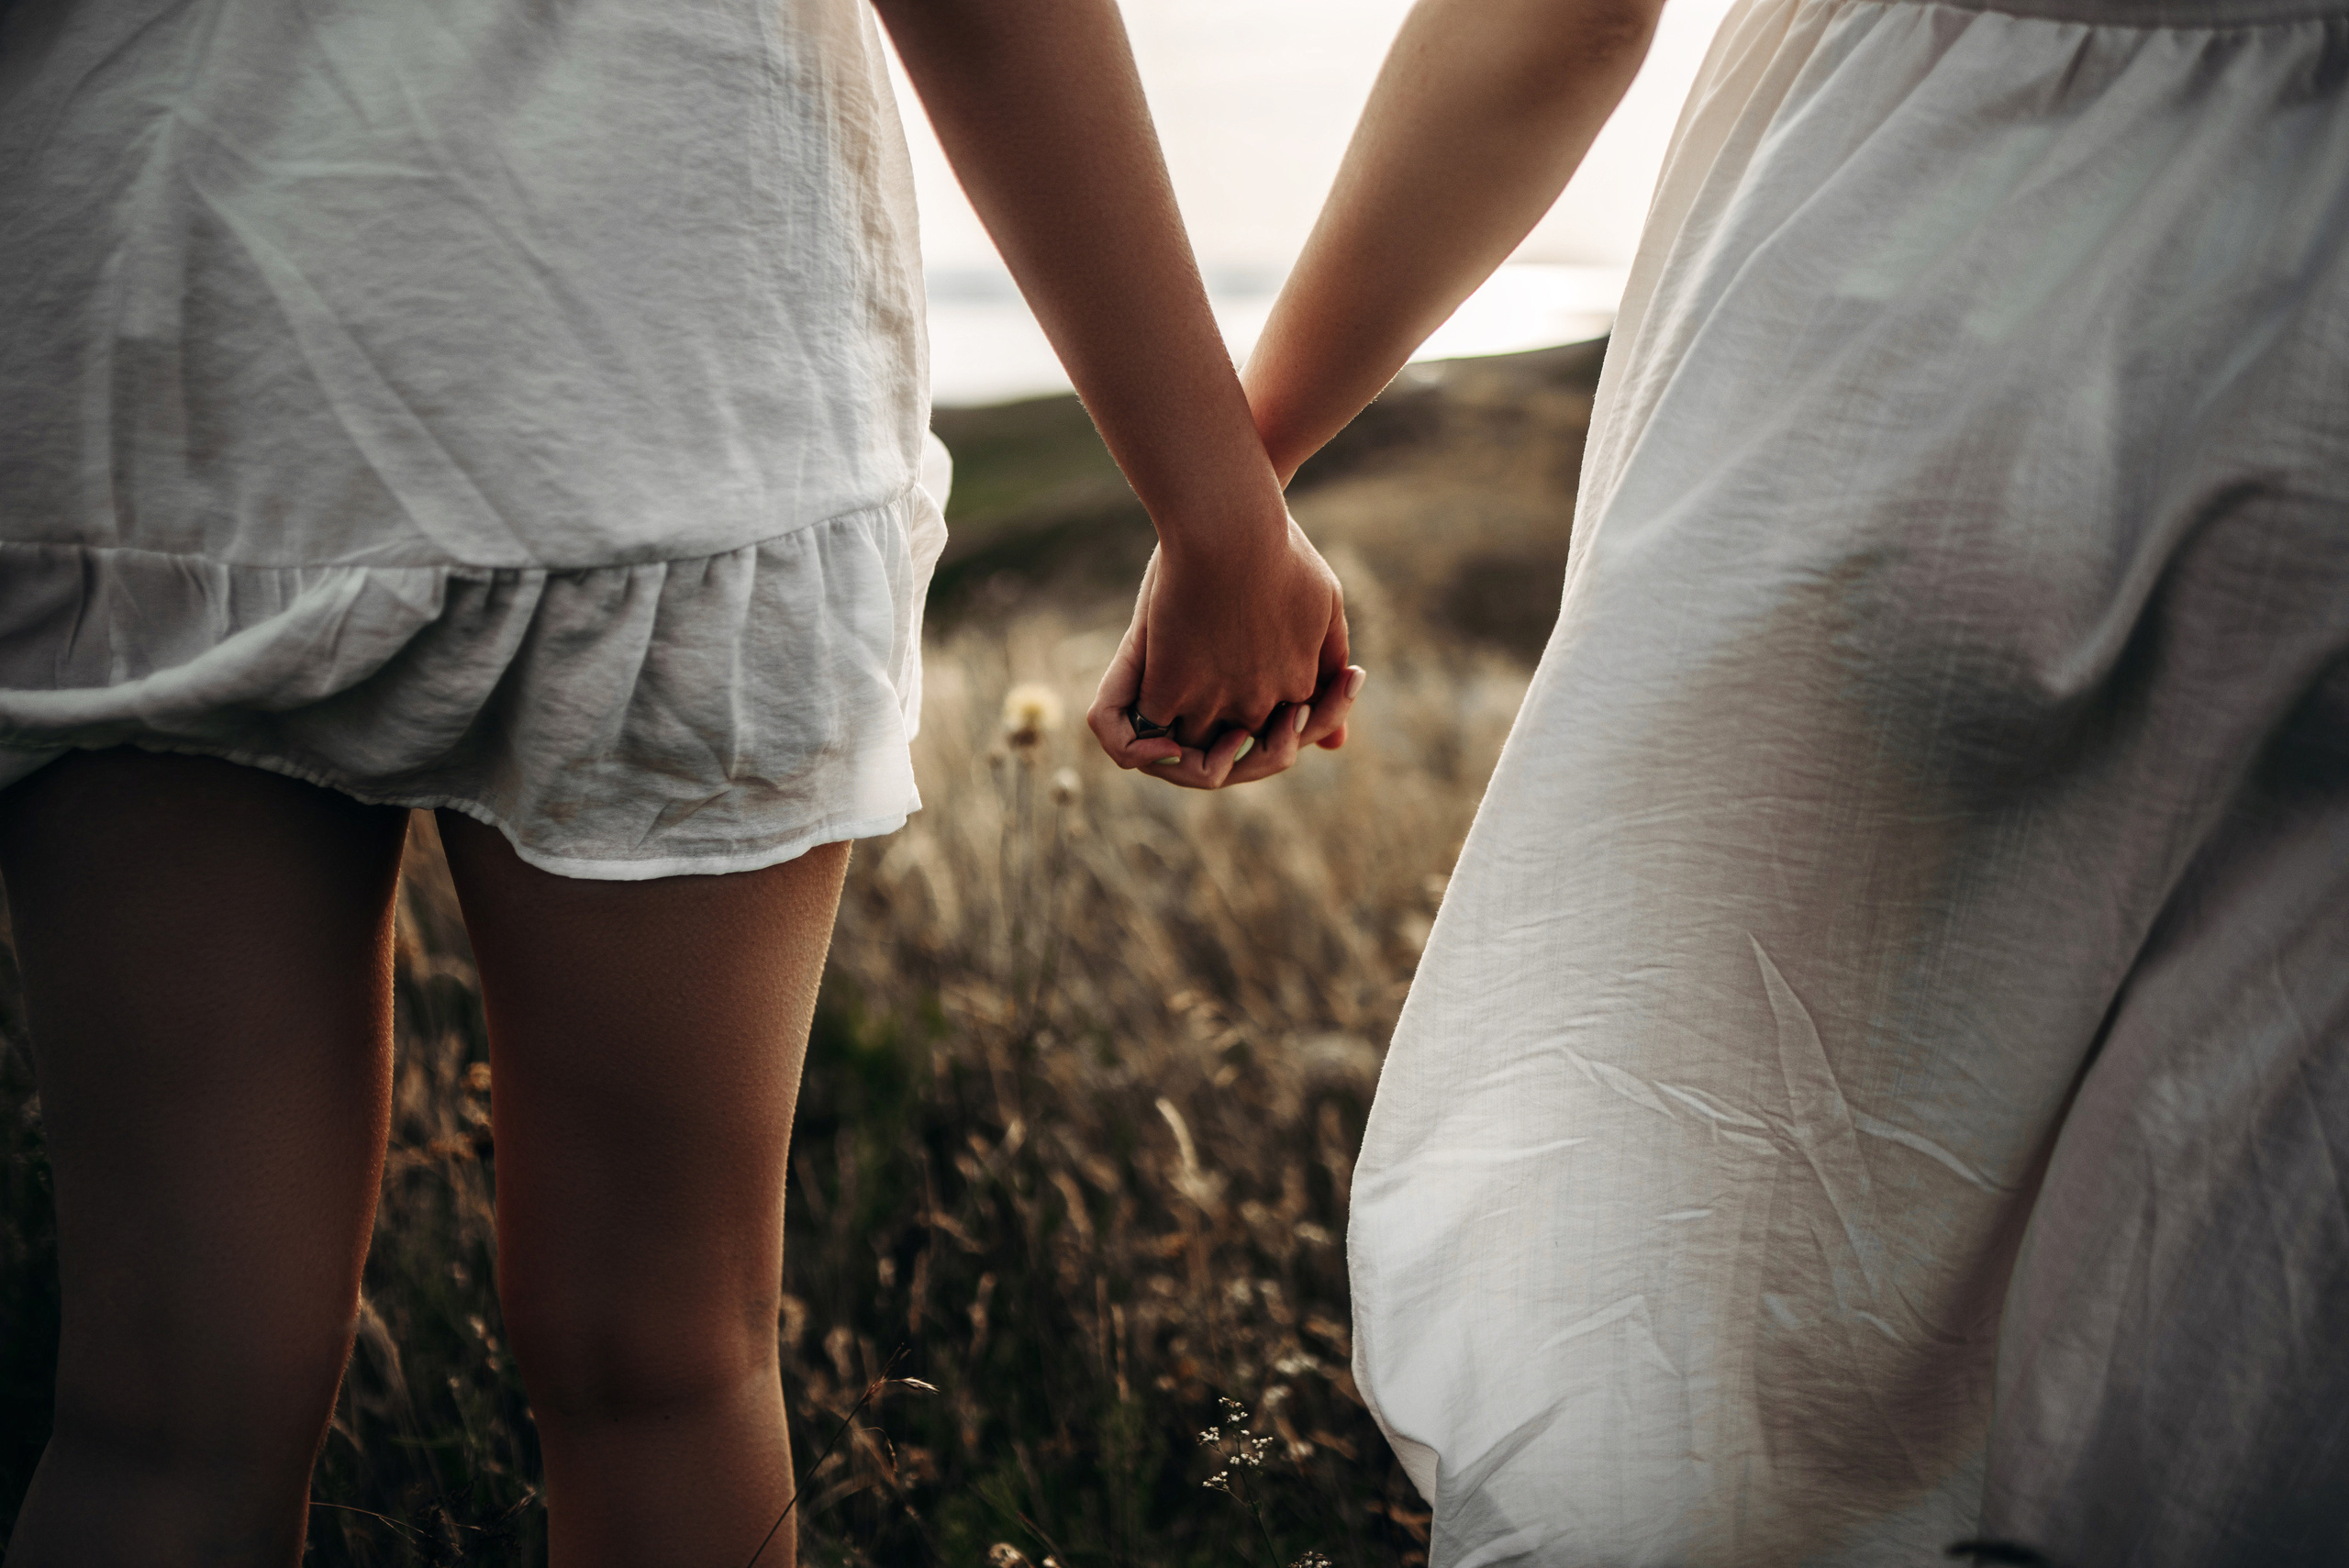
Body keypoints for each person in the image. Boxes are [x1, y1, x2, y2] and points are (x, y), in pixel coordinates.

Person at [0, 0, 1364, 1561]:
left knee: (163, 1415)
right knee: (663, 1367)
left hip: (146, 356)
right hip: (654, 355)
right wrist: (1221, 515)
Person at [1199, 0, 2349, 1562]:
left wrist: (1243, 483)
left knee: (1729, 1260)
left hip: (1926, 272)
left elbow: (1560, 23)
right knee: (2255, 1279)